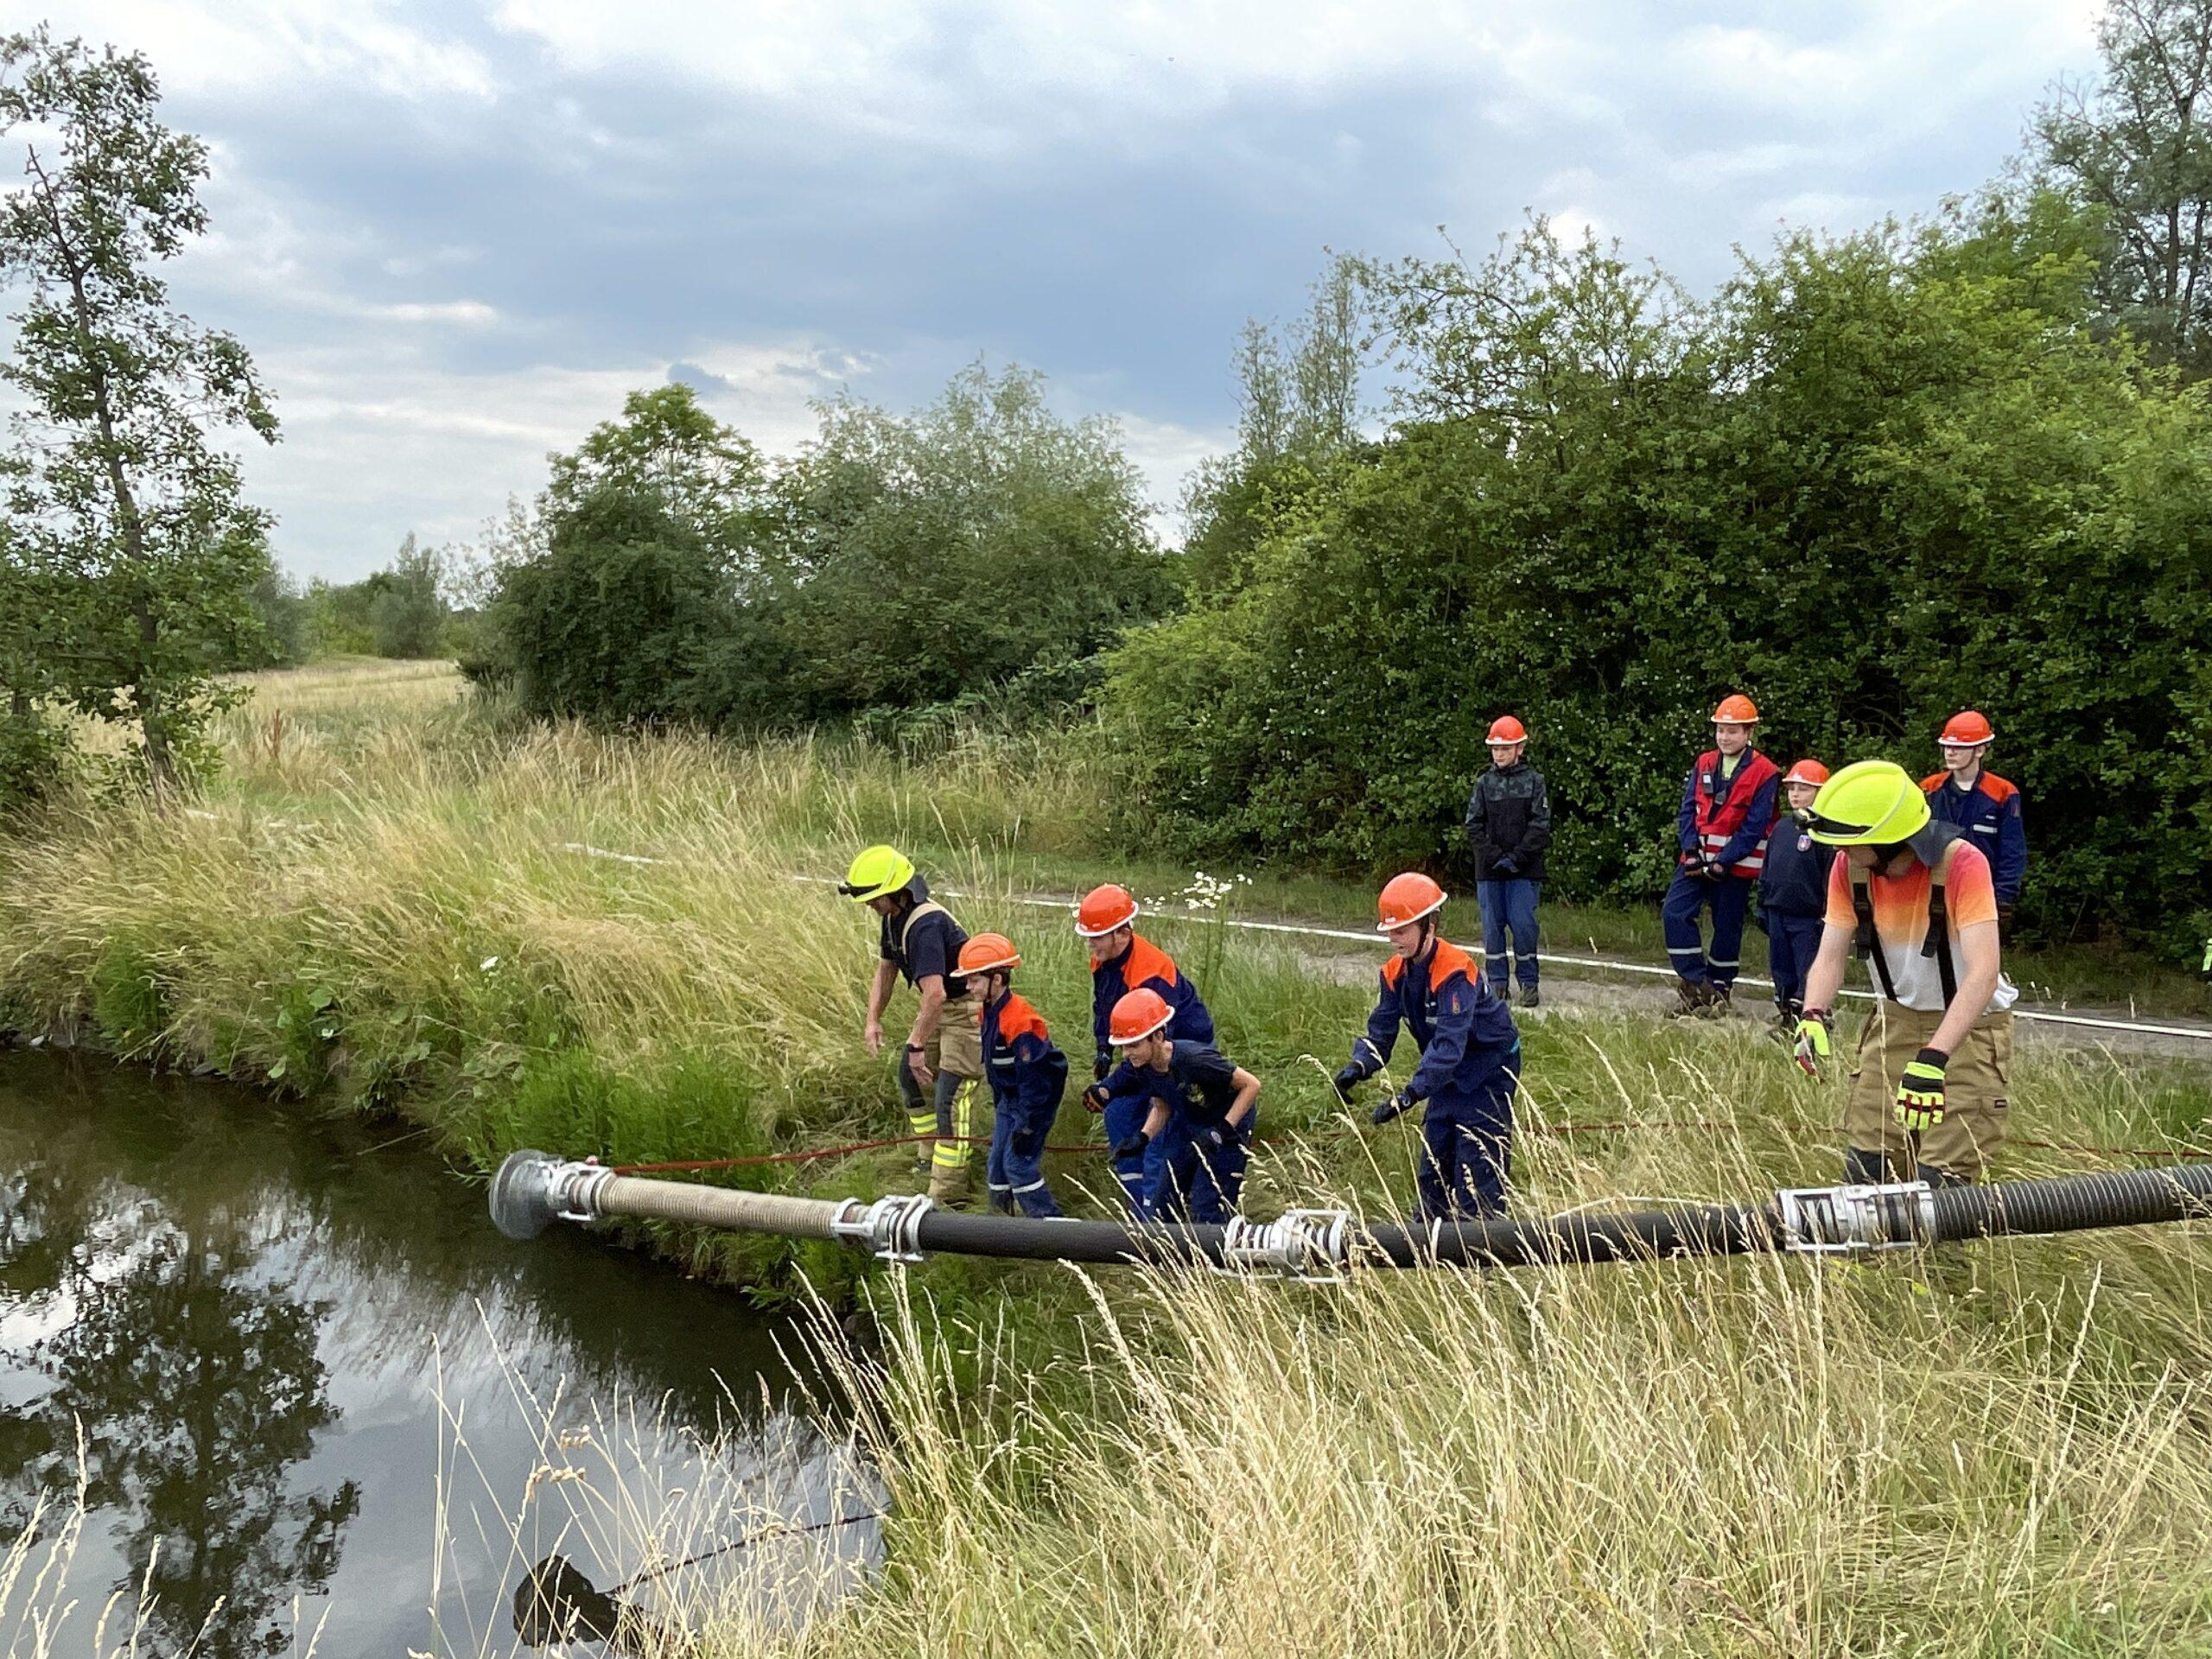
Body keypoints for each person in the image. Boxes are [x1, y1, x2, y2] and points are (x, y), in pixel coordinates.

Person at [1791, 760, 2018, 1188]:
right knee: (1867, 1171)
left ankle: (1939, 1259)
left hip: (1968, 1031)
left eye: (1848, 843)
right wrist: (1813, 1013)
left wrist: (1935, 1058)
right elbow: (1830, 955)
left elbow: (1984, 973)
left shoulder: (1962, 866)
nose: (1839, 852)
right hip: (1893, 1023)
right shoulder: (1850, 867)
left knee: (1943, 1183)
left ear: (1892, 839)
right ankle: (1866, 1258)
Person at [1332, 873, 1522, 1222]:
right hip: (1446, 1073)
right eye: (1390, 931)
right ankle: (1428, 1237)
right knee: (1435, 1159)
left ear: (1429, 925)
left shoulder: (1455, 971)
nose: (1394, 939)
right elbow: (1382, 1030)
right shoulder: (1393, 973)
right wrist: (1358, 1066)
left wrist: (1409, 1095)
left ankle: (1481, 1244)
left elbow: (1450, 1044)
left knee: (1477, 1160)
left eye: (1402, 930)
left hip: (1488, 1069)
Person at [841, 843, 984, 1205]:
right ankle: (928, 1156)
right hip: (941, 1008)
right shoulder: (893, 920)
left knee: (952, 1095)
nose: (871, 907)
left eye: (875, 899)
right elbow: (886, 968)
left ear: (896, 892)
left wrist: (917, 1044)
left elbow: (934, 994)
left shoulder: (926, 925)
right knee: (911, 1078)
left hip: (966, 1011)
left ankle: (948, 1194)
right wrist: (873, 1019)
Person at [1076, 883, 1215, 1212]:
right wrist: (1103, 1051)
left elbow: (1148, 1050)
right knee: (1120, 1119)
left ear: (1121, 932)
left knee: (1158, 1138)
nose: (1090, 944)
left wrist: (1109, 1086)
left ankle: (1159, 1224)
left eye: (1096, 936)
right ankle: (1138, 1212)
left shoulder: (1150, 977)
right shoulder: (1104, 960)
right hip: (1141, 1054)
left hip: (1176, 1054)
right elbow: (1104, 1008)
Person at [1662, 695, 1780, 1016]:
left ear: (1749, 733)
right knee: (1674, 913)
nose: (1725, 737)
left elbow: (1756, 825)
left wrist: (1723, 862)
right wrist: (1691, 852)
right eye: (1721, 730)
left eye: (1732, 731)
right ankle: (1696, 983)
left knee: (1727, 928)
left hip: (1735, 866)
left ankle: (1719, 992)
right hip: (1696, 859)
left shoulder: (1766, 771)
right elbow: (1688, 810)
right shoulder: (1703, 762)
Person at [1101, 987, 1261, 1224]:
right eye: (1123, 1047)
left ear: (1158, 1036)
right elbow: (1162, 1106)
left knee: (1207, 1210)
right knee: (1162, 1208)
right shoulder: (1143, 1067)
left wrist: (1222, 1131)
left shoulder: (1194, 1059)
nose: (1126, 1054)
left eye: (1133, 1045)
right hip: (1190, 1128)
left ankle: (1214, 1255)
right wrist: (1143, 1137)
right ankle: (1169, 1257)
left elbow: (1251, 1085)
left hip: (1227, 1131)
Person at [958, 933, 1069, 1218]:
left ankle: (1053, 1231)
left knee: (1018, 1166)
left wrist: (1028, 1126)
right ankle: (1000, 1228)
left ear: (997, 979)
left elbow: (1036, 1082)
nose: (968, 986)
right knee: (996, 1165)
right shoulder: (988, 1011)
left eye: (974, 979)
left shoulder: (1021, 1023)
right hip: (1009, 1100)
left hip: (1033, 1103)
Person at [1464, 715, 1552, 1008]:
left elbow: (1540, 825)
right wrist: (1494, 857)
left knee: (1524, 925)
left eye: (1506, 748)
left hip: (1524, 870)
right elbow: (1473, 825)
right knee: (1492, 927)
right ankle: (1497, 986)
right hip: (1489, 871)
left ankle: (1529, 983)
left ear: (1520, 749)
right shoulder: (1483, 785)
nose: (1499, 754)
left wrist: (1516, 858)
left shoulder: (1534, 782)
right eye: (1495, 749)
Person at [1921, 710, 2026, 923]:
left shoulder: (2003, 793)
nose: (1950, 753)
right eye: (1947, 746)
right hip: (1934, 892)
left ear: (1980, 750)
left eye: (1958, 747)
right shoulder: (1928, 789)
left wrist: (2003, 898)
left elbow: (2012, 851)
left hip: (1982, 894)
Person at [1758, 760, 1837, 1036]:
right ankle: (1787, 1019)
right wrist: (1762, 902)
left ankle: (1813, 1019)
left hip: (1808, 915)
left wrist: (1829, 912)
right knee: (1782, 969)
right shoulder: (1781, 827)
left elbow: (1831, 875)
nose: (1795, 794)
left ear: (1820, 792)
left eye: (1803, 789)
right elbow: (1768, 867)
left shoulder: (1827, 831)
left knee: (1809, 969)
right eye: (1792, 788)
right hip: (1777, 909)